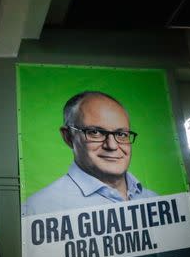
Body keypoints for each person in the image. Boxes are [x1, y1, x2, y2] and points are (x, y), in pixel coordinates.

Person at [23, 91, 157, 216]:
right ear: (68, 137)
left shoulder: (156, 200)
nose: (112, 145)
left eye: (121, 134)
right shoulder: (38, 210)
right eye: (95, 132)